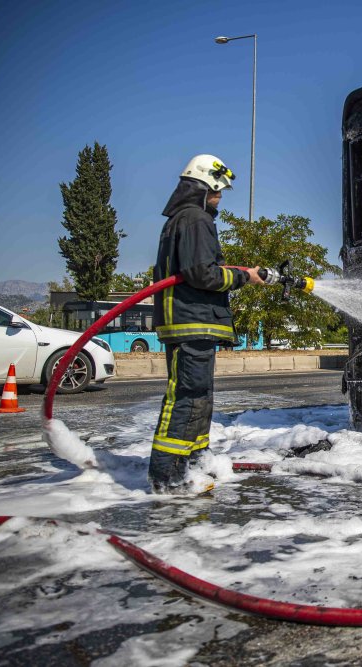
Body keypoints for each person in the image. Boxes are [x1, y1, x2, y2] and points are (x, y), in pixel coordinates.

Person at [148, 154, 264, 494]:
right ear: (203, 187)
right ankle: (165, 475)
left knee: (199, 396)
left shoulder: (183, 220)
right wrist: (244, 278)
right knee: (186, 396)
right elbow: (202, 273)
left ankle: (195, 461)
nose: (220, 197)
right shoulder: (196, 220)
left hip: (190, 322)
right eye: (218, 191)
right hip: (191, 320)